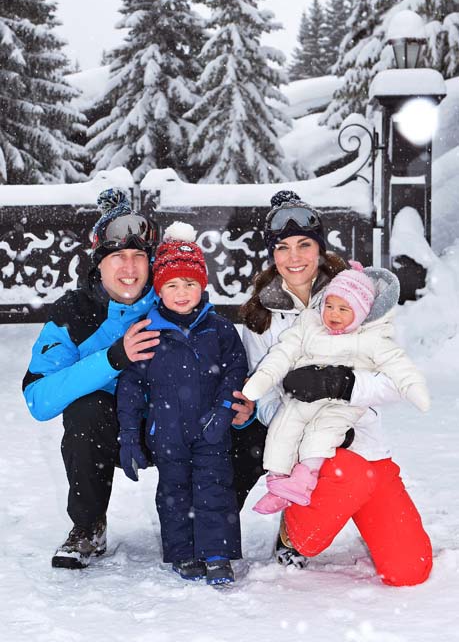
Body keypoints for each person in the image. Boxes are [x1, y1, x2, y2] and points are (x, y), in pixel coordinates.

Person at [239, 190, 432, 585]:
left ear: (320, 249)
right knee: (333, 503)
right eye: (283, 248)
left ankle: (349, 505)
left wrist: (345, 385)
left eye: (304, 245)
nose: (294, 257)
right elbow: (263, 399)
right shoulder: (262, 316)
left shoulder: (358, 296)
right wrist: (306, 420)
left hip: (368, 446)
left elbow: (395, 380)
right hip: (311, 451)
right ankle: (293, 533)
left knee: (410, 570)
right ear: (272, 255)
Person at [22, 188, 162, 568]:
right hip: (111, 432)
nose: (129, 268)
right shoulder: (74, 312)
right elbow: (38, 399)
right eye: (117, 257)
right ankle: (88, 527)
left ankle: (201, 525)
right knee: (85, 410)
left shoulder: (174, 300)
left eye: (138, 257)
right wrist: (113, 359)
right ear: (99, 264)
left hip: (168, 426)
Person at [116, 222, 248, 586]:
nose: (181, 292)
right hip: (167, 433)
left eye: (189, 283)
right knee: (174, 493)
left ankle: (218, 554)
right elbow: (130, 384)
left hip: (211, 428)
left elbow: (236, 370)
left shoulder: (219, 329)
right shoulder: (147, 330)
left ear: (202, 285)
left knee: (214, 488)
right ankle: (183, 552)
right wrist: (130, 434)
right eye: (172, 285)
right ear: (159, 289)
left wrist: (224, 409)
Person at [242, 262, 430, 513]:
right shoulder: (309, 326)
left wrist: (344, 383)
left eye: (343, 309)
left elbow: (398, 369)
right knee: (282, 429)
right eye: (329, 306)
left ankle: (302, 481)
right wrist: (262, 380)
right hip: (301, 400)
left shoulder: (370, 337)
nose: (334, 313)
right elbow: (282, 353)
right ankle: (278, 483)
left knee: (319, 437)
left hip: (342, 410)